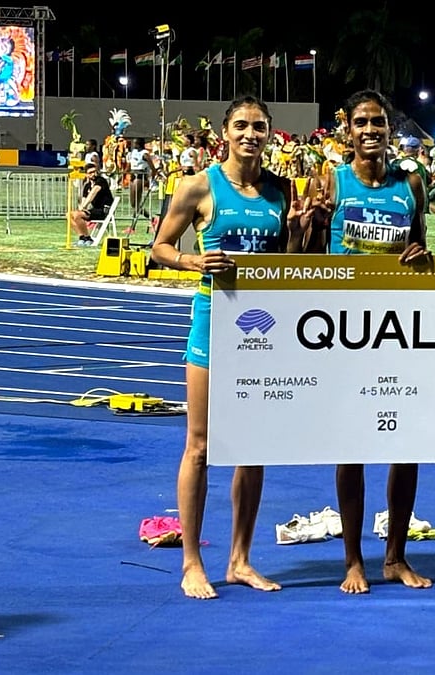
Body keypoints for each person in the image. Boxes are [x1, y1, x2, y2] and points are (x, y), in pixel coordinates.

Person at [150, 95, 319, 600]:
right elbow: (158, 248)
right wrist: (191, 264)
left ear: (271, 134)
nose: (250, 134)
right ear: (225, 132)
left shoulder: (281, 191)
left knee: (253, 447)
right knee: (199, 445)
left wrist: (297, 234)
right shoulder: (199, 186)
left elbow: (288, 265)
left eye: (259, 127)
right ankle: (191, 563)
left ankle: (240, 559)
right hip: (213, 322)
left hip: (263, 330)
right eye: (241, 125)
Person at [314, 89, 432, 594]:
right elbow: (308, 257)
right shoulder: (332, 181)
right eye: (361, 122)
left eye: (378, 123)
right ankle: (353, 561)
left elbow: (422, 245)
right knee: (352, 447)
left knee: (405, 446)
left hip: (400, 328)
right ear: (349, 130)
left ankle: (395, 557)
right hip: (346, 331)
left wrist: (420, 253)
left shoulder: (411, 184)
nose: (370, 130)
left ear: (389, 131)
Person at [69, 163, 114, 246]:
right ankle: (82, 237)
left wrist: (83, 207)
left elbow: (93, 193)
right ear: (86, 174)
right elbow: (84, 199)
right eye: (90, 173)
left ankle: (88, 238)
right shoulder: (87, 186)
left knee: (78, 215)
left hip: (104, 210)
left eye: (94, 171)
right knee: (69, 215)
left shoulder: (100, 181)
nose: (93, 174)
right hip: (95, 210)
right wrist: (81, 207)